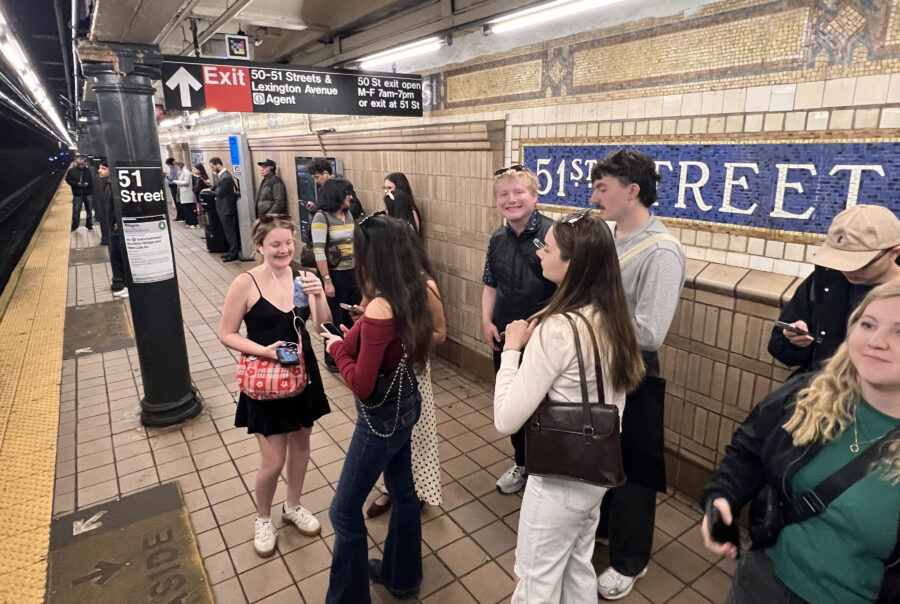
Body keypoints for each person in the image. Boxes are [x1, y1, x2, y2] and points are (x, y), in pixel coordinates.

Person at [701, 280, 900, 604]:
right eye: (868, 324)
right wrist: (723, 496)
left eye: (899, 332)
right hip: (759, 582)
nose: (876, 341)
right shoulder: (810, 393)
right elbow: (748, 450)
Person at [494, 209, 645, 603]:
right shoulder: (613, 318)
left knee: (533, 583)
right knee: (578, 567)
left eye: (549, 247)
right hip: (595, 471)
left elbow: (505, 417)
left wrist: (511, 351)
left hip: (558, 480)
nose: (540, 251)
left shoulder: (558, 329)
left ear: (573, 264)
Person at [321, 214, 434, 603]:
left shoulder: (380, 307)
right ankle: (402, 577)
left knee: (343, 512)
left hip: (380, 419)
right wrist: (351, 336)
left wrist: (335, 347)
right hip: (406, 404)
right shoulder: (412, 289)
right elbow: (363, 345)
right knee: (403, 494)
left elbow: (362, 385)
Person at [590, 148, 686, 600]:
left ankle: (631, 562)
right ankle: (607, 533)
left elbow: (650, 332)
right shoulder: (607, 235)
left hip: (634, 371)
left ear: (632, 191)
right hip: (598, 365)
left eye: (602, 188)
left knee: (633, 470)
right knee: (603, 458)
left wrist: (591, 319)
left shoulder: (662, 250)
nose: (594, 195)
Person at [219, 214, 332, 557]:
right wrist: (263, 352)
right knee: (272, 461)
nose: (284, 250)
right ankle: (263, 518)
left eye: (288, 243)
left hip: (301, 374)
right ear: (259, 246)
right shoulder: (245, 283)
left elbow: (321, 326)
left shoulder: (303, 278)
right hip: (266, 380)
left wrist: (319, 293)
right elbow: (226, 333)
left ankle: (293, 505)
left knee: (301, 443)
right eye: (275, 244)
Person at [482, 165, 557, 495]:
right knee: (511, 401)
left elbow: (567, 290)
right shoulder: (497, 239)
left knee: (546, 406)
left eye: (519, 192)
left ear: (535, 196)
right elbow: (490, 284)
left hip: (543, 340)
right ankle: (523, 463)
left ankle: (548, 469)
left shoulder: (552, 236)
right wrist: (486, 321)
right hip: (505, 340)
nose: (511, 199)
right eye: (503, 194)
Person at [365, 216, 445, 518]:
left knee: (417, 434)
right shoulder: (377, 284)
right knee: (386, 433)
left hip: (413, 372)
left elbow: (440, 332)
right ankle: (390, 488)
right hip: (383, 373)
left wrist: (404, 342)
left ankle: (418, 490)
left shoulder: (425, 285)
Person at [768, 204, 900, 376]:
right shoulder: (827, 277)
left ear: (895, 253)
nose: (847, 270)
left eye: (859, 263)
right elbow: (779, 346)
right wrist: (795, 343)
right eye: (840, 259)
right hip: (821, 390)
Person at [311, 178, 361, 371]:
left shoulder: (348, 214)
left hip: (353, 271)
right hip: (335, 274)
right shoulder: (321, 217)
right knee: (335, 317)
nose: (350, 196)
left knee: (352, 315)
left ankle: (349, 354)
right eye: (347, 193)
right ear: (336, 195)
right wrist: (327, 281)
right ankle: (332, 357)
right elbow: (319, 251)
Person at [98, 160, 128, 299]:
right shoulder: (108, 186)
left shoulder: (117, 187)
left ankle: (128, 286)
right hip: (114, 226)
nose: (99, 171)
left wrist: (117, 222)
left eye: (103, 168)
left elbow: (118, 206)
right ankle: (125, 285)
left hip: (118, 227)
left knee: (122, 257)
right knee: (117, 256)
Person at [206, 157, 241, 262]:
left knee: (230, 232)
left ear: (218, 164)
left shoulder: (225, 177)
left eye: (212, 167)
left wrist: (211, 191)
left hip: (226, 209)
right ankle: (231, 250)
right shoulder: (221, 176)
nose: (212, 169)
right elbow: (218, 188)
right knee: (227, 231)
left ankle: (234, 253)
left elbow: (220, 193)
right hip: (223, 208)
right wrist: (212, 187)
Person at [66, 155, 94, 231]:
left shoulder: (89, 171)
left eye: (83, 161)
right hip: (77, 193)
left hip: (88, 193)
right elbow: (68, 180)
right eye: (79, 160)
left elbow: (93, 182)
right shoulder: (71, 171)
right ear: (76, 161)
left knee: (89, 211)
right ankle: (75, 226)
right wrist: (76, 184)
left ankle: (89, 225)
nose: (81, 163)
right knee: (76, 211)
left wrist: (88, 184)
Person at [171, 161, 199, 228]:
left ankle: (193, 223)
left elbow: (186, 182)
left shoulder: (186, 172)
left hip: (187, 193)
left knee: (190, 210)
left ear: (179, 166)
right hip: (184, 194)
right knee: (186, 209)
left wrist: (176, 182)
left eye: (176, 167)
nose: (176, 168)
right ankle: (189, 223)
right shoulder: (181, 172)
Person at [165, 157, 183, 222]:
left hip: (175, 186)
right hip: (172, 186)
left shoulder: (175, 169)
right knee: (176, 202)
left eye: (168, 165)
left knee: (177, 202)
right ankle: (179, 216)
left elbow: (174, 178)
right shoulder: (172, 169)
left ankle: (180, 217)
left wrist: (167, 176)